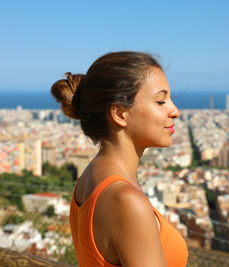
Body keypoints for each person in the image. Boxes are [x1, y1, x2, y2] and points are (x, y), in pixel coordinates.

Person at [51, 51, 188, 267]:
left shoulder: (89, 178)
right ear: (120, 114)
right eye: (161, 101)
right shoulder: (126, 199)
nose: (175, 111)